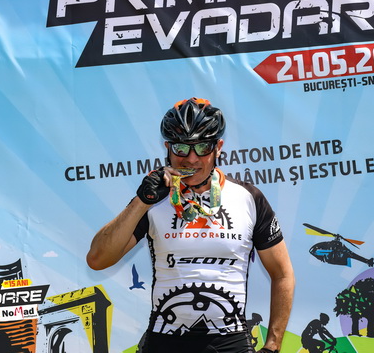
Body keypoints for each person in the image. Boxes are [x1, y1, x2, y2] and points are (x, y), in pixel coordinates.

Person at [87, 97, 295, 353]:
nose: (191, 159)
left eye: (203, 147)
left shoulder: (248, 197)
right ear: (167, 148)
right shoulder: (153, 199)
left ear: (218, 147)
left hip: (230, 343)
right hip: (164, 341)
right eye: (181, 148)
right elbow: (97, 259)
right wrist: (142, 201)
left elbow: (282, 274)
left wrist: (273, 345)